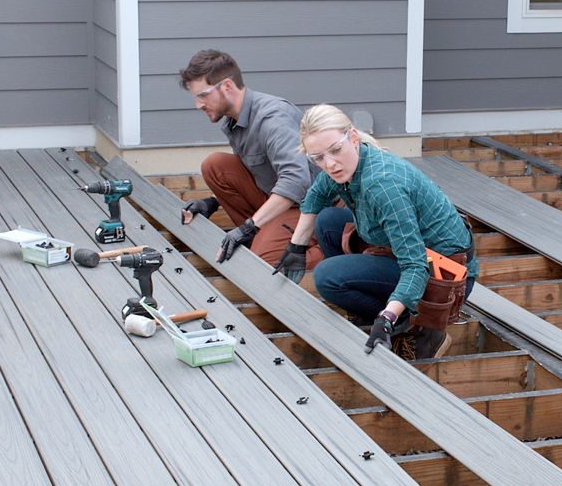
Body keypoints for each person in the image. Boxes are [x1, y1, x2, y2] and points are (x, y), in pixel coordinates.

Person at [273, 104, 477, 361]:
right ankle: (373, 305)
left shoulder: (382, 184)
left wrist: (387, 317)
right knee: (328, 221)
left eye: (335, 151)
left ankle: (413, 323)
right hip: (405, 250)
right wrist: (296, 247)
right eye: (318, 158)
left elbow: (415, 265)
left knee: (327, 276)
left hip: (442, 276)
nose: (330, 164)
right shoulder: (347, 163)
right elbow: (315, 197)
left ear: (354, 138)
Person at [177, 50, 322, 268]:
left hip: (312, 208)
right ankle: (264, 236)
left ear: (227, 86)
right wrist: (212, 203)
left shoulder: (273, 119)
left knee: (262, 262)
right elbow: (255, 172)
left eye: (203, 95)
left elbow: (296, 182)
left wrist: (248, 227)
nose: (198, 104)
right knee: (215, 165)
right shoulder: (233, 121)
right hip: (280, 200)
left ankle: (331, 247)